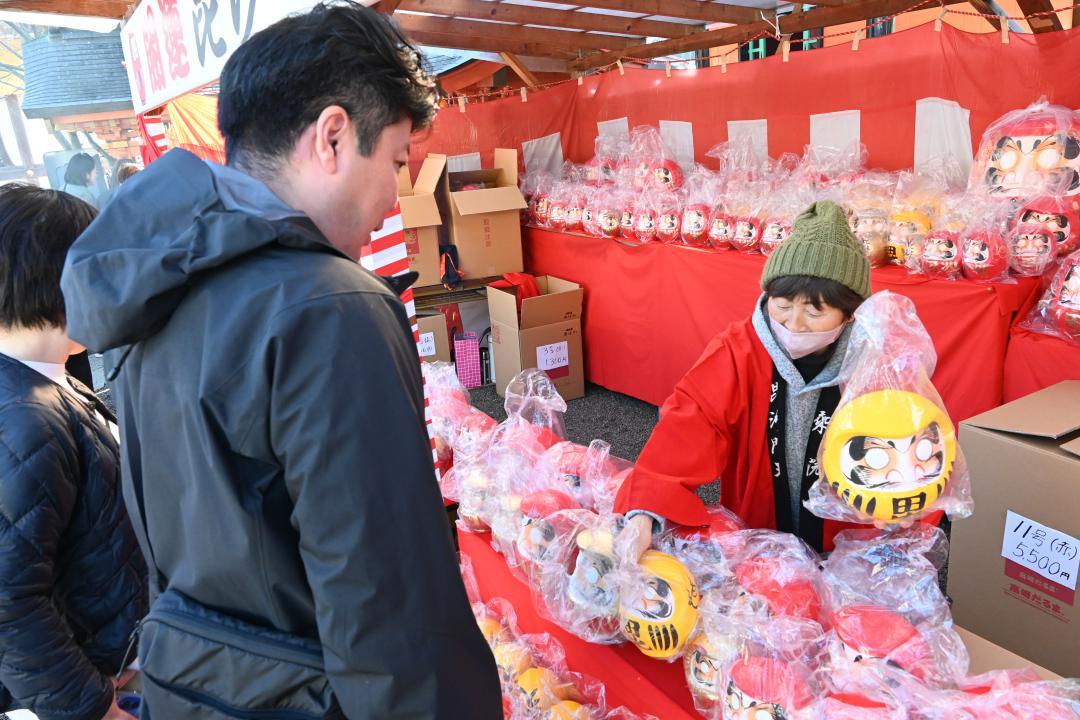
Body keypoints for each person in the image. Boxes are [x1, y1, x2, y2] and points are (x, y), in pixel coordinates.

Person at [60, 4, 501, 718]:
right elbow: (391, 614)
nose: (395, 200)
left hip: (197, 688)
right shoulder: (333, 307)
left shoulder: (159, 282)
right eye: (394, 161)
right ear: (332, 136)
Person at [617, 200, 877, 555]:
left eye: (815, 311)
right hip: (757, 539)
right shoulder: (739, 349)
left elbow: (908, 447)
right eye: (783, 305)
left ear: (850, 313)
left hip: (850, 544)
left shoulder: (875, 361)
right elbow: (692, 420)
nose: (794, 324)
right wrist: (646, 510)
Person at [0, 184, 147, 720]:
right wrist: (96, 709)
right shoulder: (22, 414)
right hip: (88, 692)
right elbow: (10, 603)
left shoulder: (47, 381)